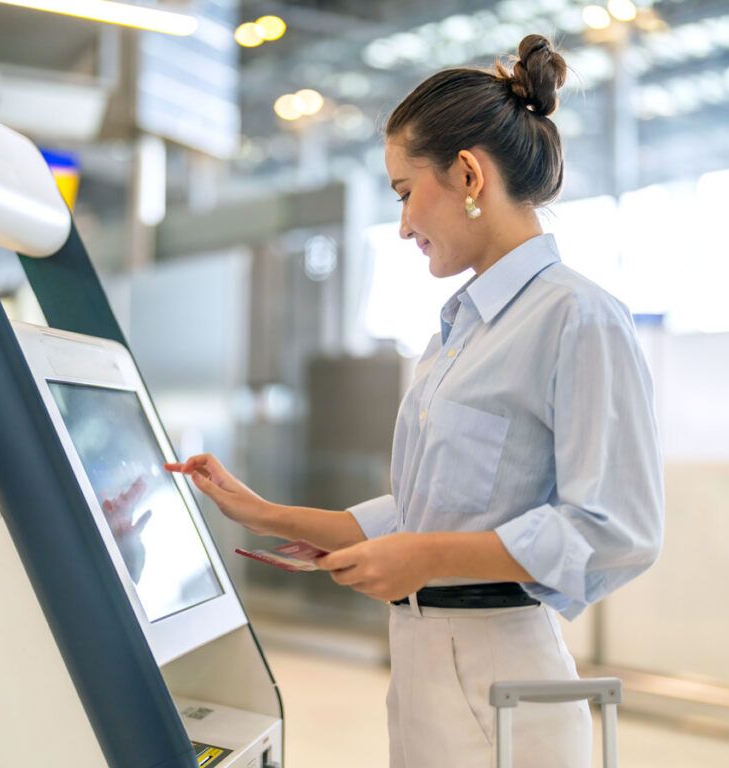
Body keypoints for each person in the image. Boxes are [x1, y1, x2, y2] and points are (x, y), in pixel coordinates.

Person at [167, 33, 663, 768]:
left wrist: (425, 557)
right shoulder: (454, 334)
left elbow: (617, 526)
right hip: (425, 669)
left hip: (505, 688)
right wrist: (266, 512)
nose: (401, 225)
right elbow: (430, 510)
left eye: (404, 193)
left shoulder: (578, 317)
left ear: (467, 174)